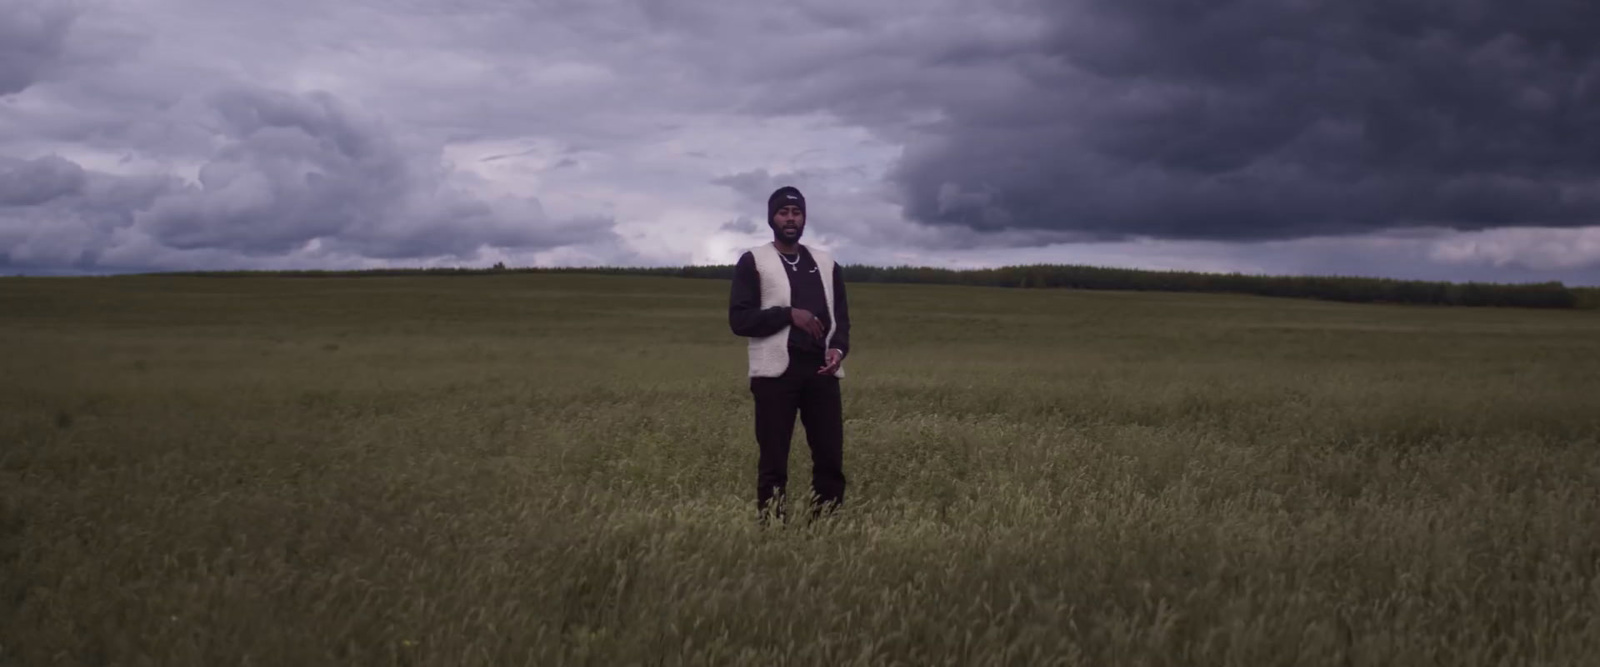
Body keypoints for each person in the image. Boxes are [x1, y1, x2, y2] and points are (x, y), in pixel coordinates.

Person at [728, 185, 851, 525]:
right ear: (772, 218)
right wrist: (787, 314)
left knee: (829, 457)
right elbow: (739, 320)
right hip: (775, 375)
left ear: (804, 218)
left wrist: (838, 350)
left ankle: (825, 525)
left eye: (796, 213)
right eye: (784, 212)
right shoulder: (754, 261)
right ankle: (772, 529)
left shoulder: (826, 265)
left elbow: (841, 321)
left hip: (822, 373)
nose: (790, 219)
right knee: (773, 460)